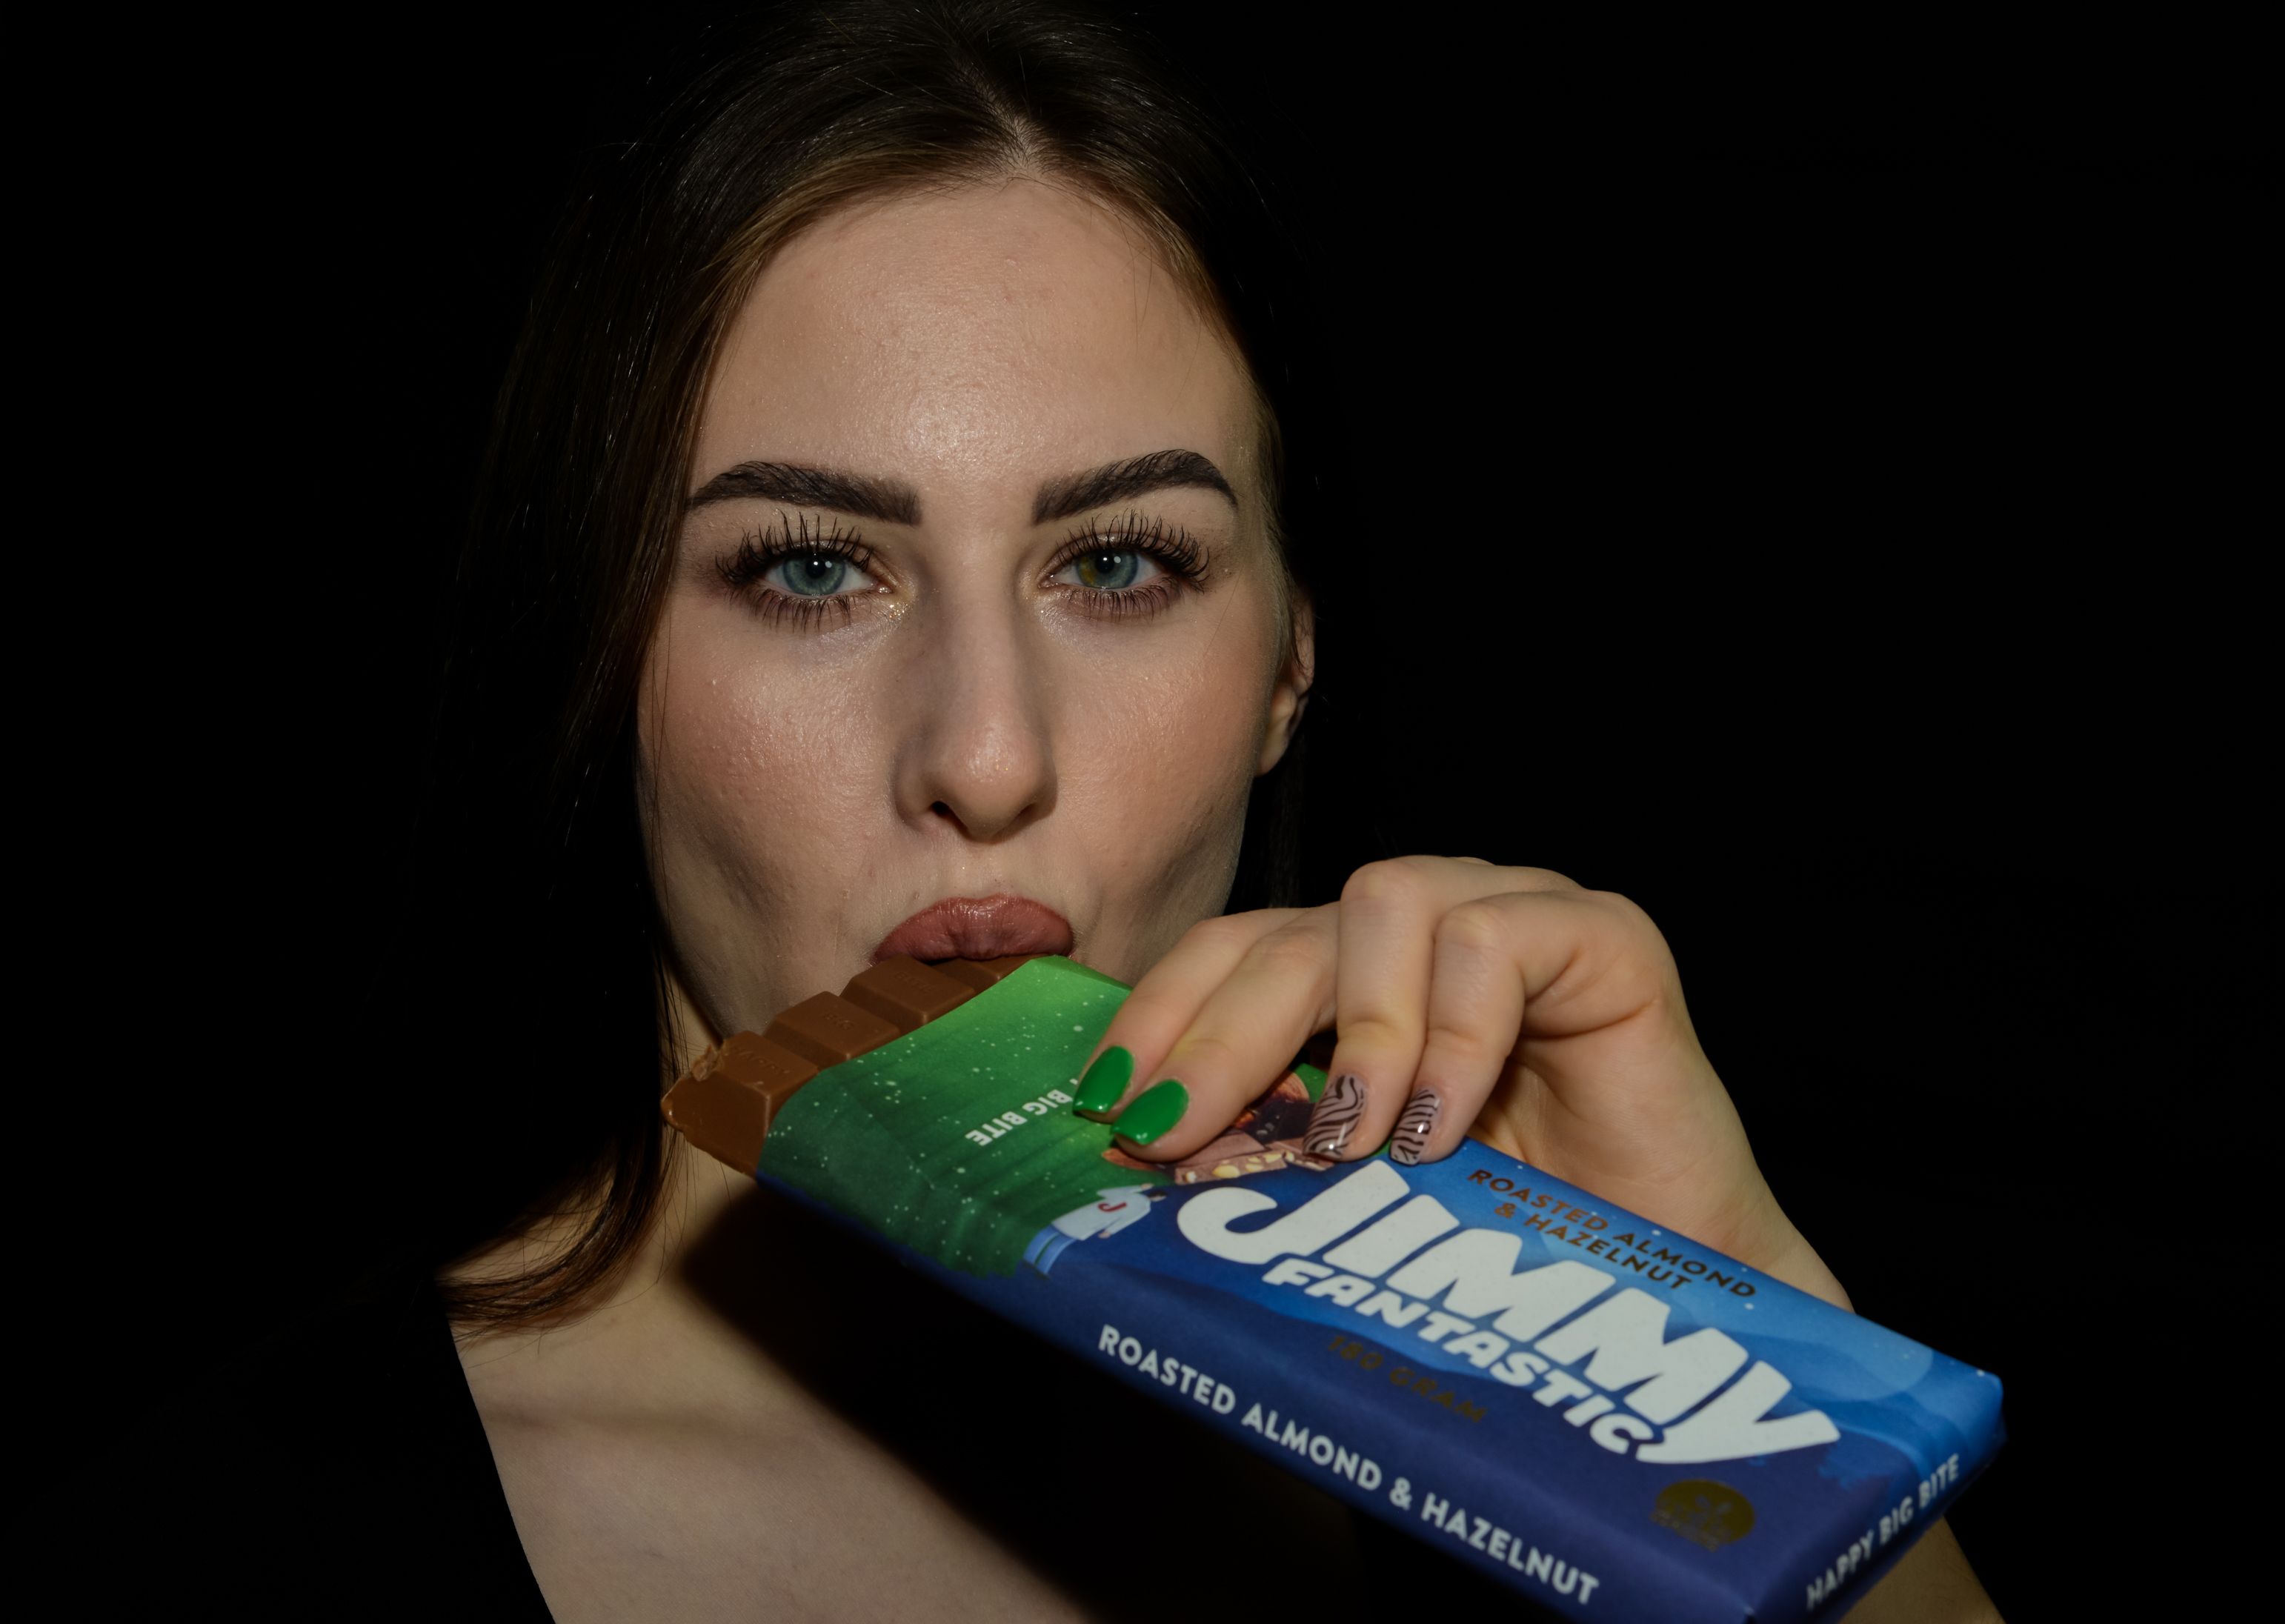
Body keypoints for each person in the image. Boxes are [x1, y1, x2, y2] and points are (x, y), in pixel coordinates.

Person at [84, 4, 2002, 1619]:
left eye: (1118, 565)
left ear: (1289, 665)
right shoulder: (222, 1542)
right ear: (601, 656)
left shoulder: (1525, 1477)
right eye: (811, 569)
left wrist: (1748, 1393)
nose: (988, 755)